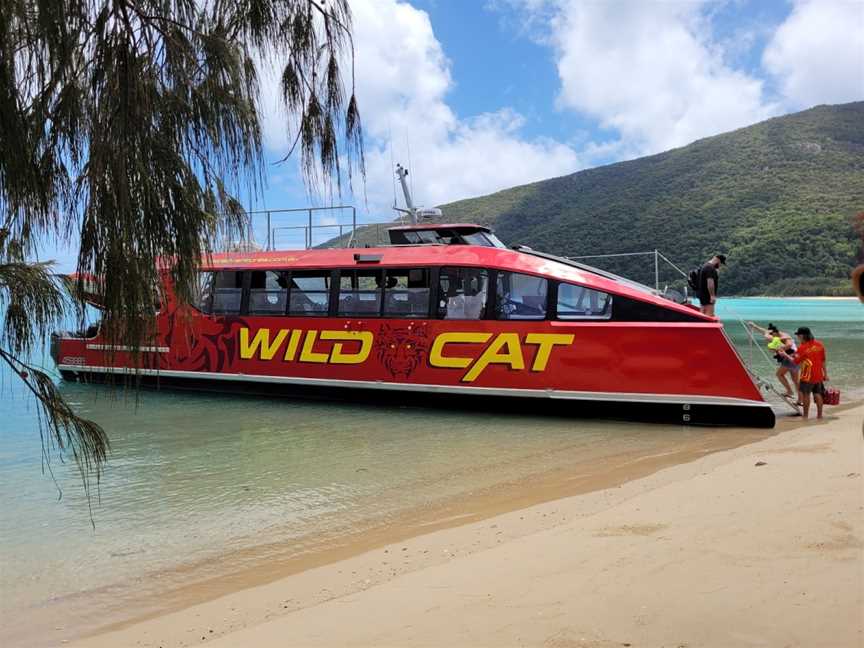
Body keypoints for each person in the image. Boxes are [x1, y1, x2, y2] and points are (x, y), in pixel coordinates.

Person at [781, 326, 828, 420]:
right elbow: (823, 361)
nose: (798, 337)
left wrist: (785, 354)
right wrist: (825, 374)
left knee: (806, 395)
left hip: (807, 376)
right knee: (817, 394)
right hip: (818, 374)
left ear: (802, 336)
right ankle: (819, 415)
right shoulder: (819, 345)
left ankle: (805, 416)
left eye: (798, 335)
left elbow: (795, 361)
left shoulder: (802, 348)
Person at [748, 321, 799, 399]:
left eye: (771, 334)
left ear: (775, 332)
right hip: (795, 358)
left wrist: (779, 349)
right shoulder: (775, 334)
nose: (770, 336)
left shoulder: (784, 336)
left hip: (790, 358)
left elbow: (789, 344)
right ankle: (800, 398)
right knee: (795, 380)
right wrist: (754, 326)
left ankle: (790, 391)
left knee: (779, 374)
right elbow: (764, 331)